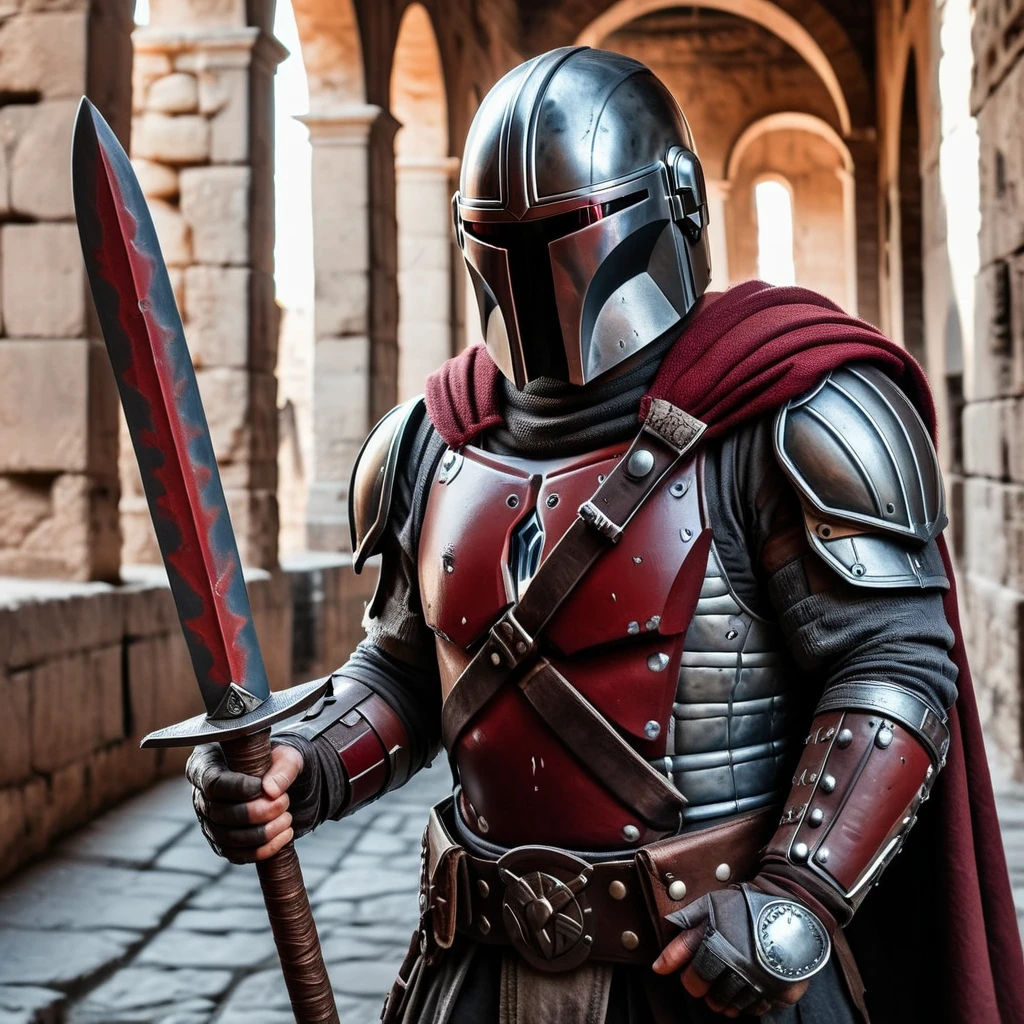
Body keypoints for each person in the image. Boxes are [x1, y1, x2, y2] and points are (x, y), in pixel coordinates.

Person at [186, 47, 1024, 1023]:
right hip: (474, 969)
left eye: (564, 231)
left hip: (709, 967)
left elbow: (891, 668)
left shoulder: (793, 412)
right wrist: (308, 761)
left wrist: (795, 896)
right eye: (508, 237)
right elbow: (412, 670)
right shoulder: (426, 441)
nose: (543, 271)